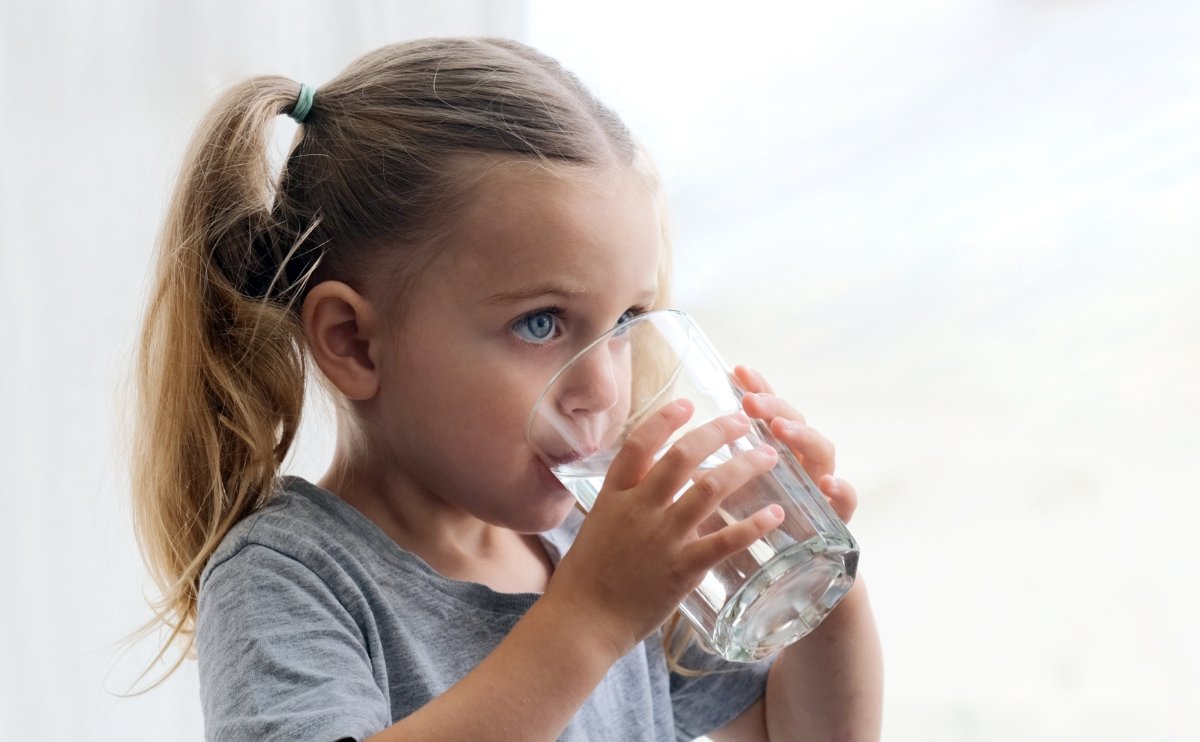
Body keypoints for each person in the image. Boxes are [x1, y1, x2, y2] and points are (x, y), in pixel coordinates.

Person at [131, 36, 883, 741]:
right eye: (541, 324)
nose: (601, 387)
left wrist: (821, 586)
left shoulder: (599, 543)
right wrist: (589, 618)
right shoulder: (289, 578)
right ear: (354, 342)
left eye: (626, 319)